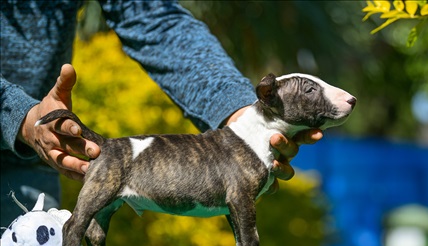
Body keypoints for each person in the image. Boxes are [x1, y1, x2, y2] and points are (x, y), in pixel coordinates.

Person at [0, 1, 323, 228]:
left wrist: (241, 115)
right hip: (26, 135)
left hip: (26, 165)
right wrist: (19, 116)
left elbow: (154, 20)